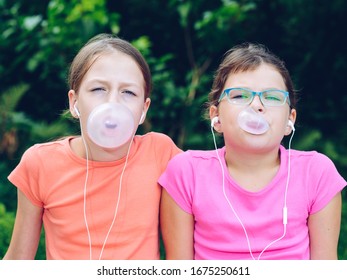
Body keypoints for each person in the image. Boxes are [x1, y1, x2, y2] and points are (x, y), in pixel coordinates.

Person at [159, 43, 346, 260]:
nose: (257, 105)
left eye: (273, 97)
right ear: (215, 117)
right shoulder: (186, 172)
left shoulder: (316, 173)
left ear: (289, 121)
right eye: (239, 96)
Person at [3, 34, 181, 260]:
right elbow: (18, 260)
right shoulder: (40, 163)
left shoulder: (160, 152)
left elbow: (216, 181)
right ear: (74, 102)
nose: (112, 103)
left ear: (144, 109)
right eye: (98, 89)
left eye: (128, 92)